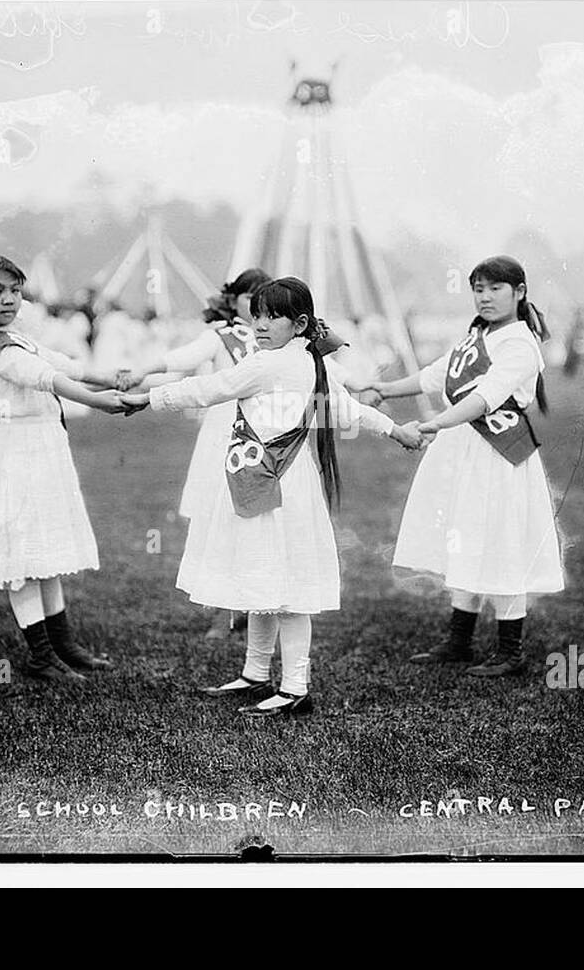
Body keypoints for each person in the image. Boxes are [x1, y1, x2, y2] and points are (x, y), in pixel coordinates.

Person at [120, 276, 425, 716]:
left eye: (273, 317)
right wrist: (396, 430)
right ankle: (256, 674)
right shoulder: (306, 360)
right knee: (266, 576)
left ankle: (295, 686)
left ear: (300, 324)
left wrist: (148, 398)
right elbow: (345, 408)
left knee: (284, 587)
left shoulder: (269, 364)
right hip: (279, 479)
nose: (260, 324)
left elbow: (211, 388)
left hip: (276, 481)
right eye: (257, 314)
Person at [358, 255, 565, 676]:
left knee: (502, 538)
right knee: (464, 534)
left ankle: (510, 651)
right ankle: (459, 640)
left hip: (499, 451)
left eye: (495, 289)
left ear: (519, 292)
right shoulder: (478, 335)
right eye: (479, 289)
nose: (485, 297)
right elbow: (438, 376)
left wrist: (435, 422)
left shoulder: (521, 344)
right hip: (462, 450)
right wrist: (386, 389)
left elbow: (484, 398)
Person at [0, 254, 129, 683]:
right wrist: (96, 401)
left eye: (14, 291)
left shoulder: (18, 338)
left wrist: (113, 378)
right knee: (23, 554)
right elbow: (43, 378)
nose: (9, 300)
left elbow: (65, 365)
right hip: (17, 453)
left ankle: (64, 645)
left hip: (43, 448)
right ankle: (41, 654)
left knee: (44, 549)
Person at [115, 268, 273, 639]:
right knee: (218, 518)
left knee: (254, 518)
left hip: (262, 434)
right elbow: (184, 358)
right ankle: (224, 608)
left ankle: (253, 603)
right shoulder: (221, 337)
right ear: (233, 300)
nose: (256, 305)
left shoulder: (274, 340)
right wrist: (141, 372)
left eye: (264, 297)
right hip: (223, 434)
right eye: (249, 296)